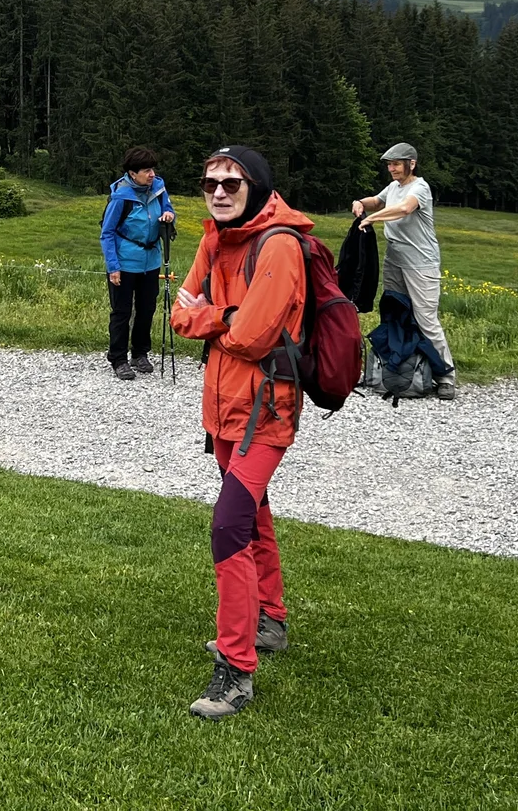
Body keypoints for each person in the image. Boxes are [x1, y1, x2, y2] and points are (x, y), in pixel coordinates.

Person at [171, 145, 312, 720]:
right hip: (223, 409)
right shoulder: (212, 238)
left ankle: (235, 670)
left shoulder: (278, 245)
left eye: (232, 182)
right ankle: (270, 620)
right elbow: (178, 313)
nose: (220, 191)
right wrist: (222, 318)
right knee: (252, 514)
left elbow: (254, 337)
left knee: (229, 523)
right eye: (210, 183)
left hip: (266, 413)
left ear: (256, 186)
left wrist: (213, 317)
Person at [352, 142, 456, 399]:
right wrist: (360, 203)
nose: (392, 169)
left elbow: (404, 208)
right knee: (395, 314)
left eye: (397, 164)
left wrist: (372, 218)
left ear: (411, 163)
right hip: (395, 261)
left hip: (421, 264)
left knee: (426, 320)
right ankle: (398, 368)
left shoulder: (419, 187)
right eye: (389, 164)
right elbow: (378, 201)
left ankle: (446, 377)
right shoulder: (394, 187)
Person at [100, 145, 176, 380]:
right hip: (125, 262)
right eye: (146, 170)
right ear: (133, 173)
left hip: (151, 260)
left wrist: (169, 214)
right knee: (122, 311)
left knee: (146, 309)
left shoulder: (158, 188)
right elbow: (107, 232)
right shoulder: (121, 196)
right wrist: (113, 266)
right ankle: (118, 358)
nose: (151, 174)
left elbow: (167, 207)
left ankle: (140, 354)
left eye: (152, 169)